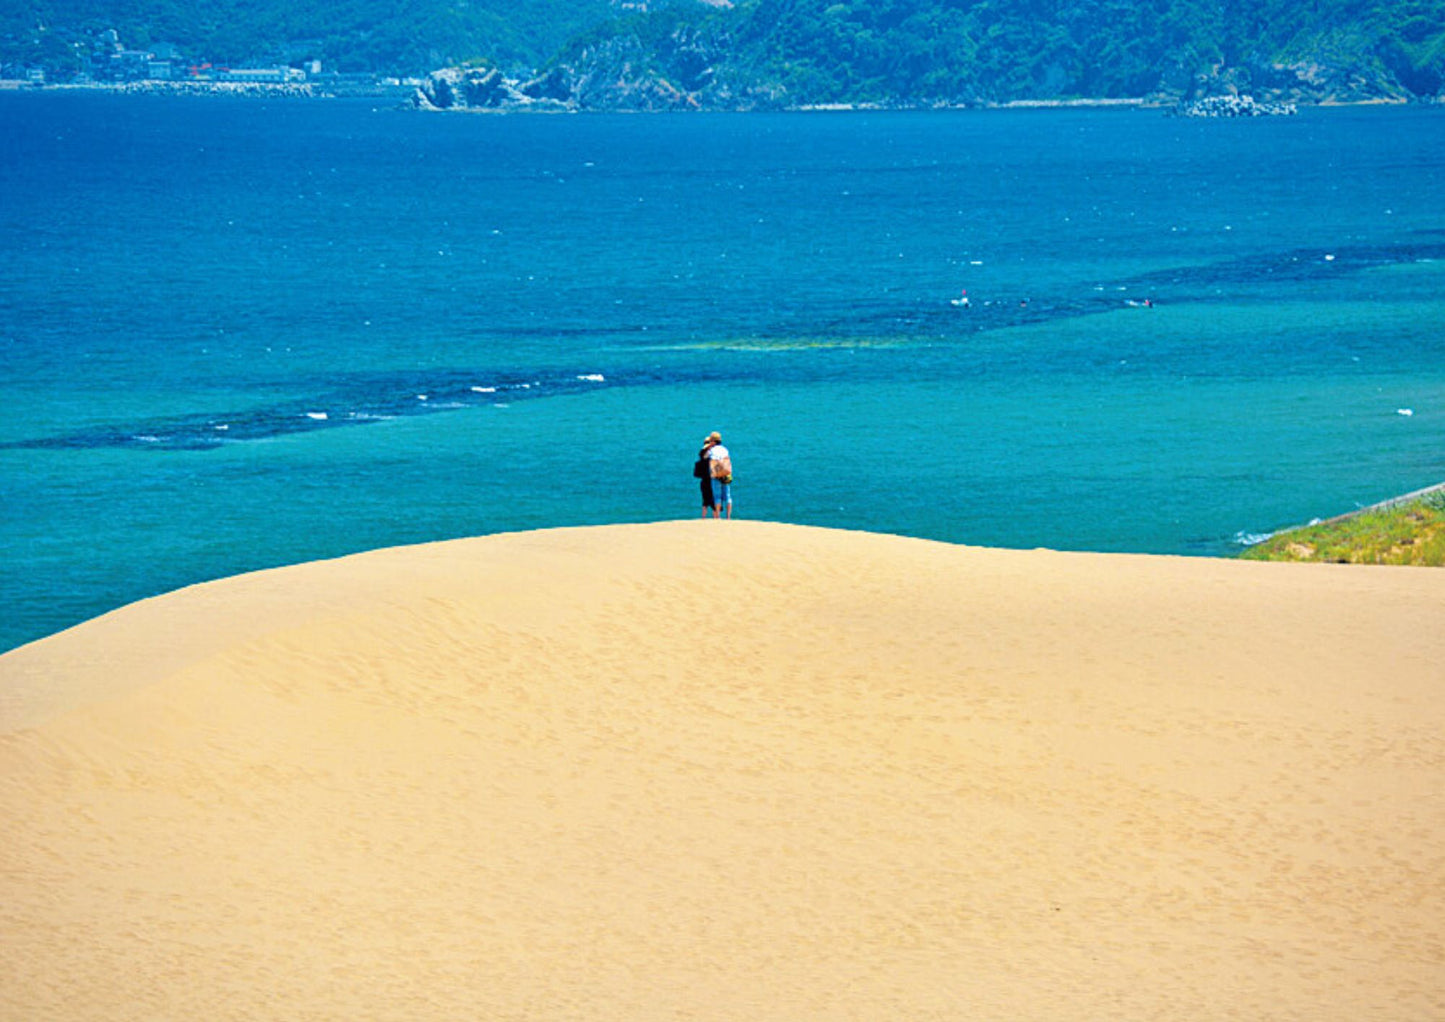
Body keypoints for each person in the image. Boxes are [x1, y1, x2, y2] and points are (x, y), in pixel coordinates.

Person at [705, 431, 733, 519]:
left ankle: (718, 516)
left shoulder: (712, 450)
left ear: (713, 441)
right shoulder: (725, 449)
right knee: (727, 496)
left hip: (716, 474)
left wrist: (708, 447)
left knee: (717, 496)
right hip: (726, 473)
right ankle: (728, 517)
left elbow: (705, 457)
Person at [694, 436, 717, 517]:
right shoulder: (711, 455)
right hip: (711, 480)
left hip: (704, 480)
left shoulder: (702, 455)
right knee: (714, 499)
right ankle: (716, 518)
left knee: (705, 500)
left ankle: (703, 518)